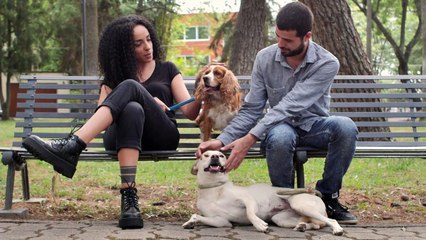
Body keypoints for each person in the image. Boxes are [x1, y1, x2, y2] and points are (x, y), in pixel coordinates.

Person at [22, 15, 201, 229]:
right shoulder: (114, 76)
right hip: (121, 136)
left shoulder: (168, 69)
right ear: (124, 49)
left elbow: (190, 112)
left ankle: (72, 146)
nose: (147, 47)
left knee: (132, 88)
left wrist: (202, 92)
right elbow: (103, 119)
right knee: (132, 106)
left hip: (161, 135)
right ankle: (129, 201)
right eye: (138, 43)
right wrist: (140, 99)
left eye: (149, 39)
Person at [196, 2, 358, 225]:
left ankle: (329, 197)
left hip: (314, 126)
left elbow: (291, 104)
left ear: (307, 36)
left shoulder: (327, 63)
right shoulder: (265, 58)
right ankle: (282, 202)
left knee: (345, 126)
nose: (280, 44)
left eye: (288, 40)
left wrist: (250, 138)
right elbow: (252, 109)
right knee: (281, 135)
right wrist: (222, 141)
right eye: (278, 37)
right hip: (280, 127)